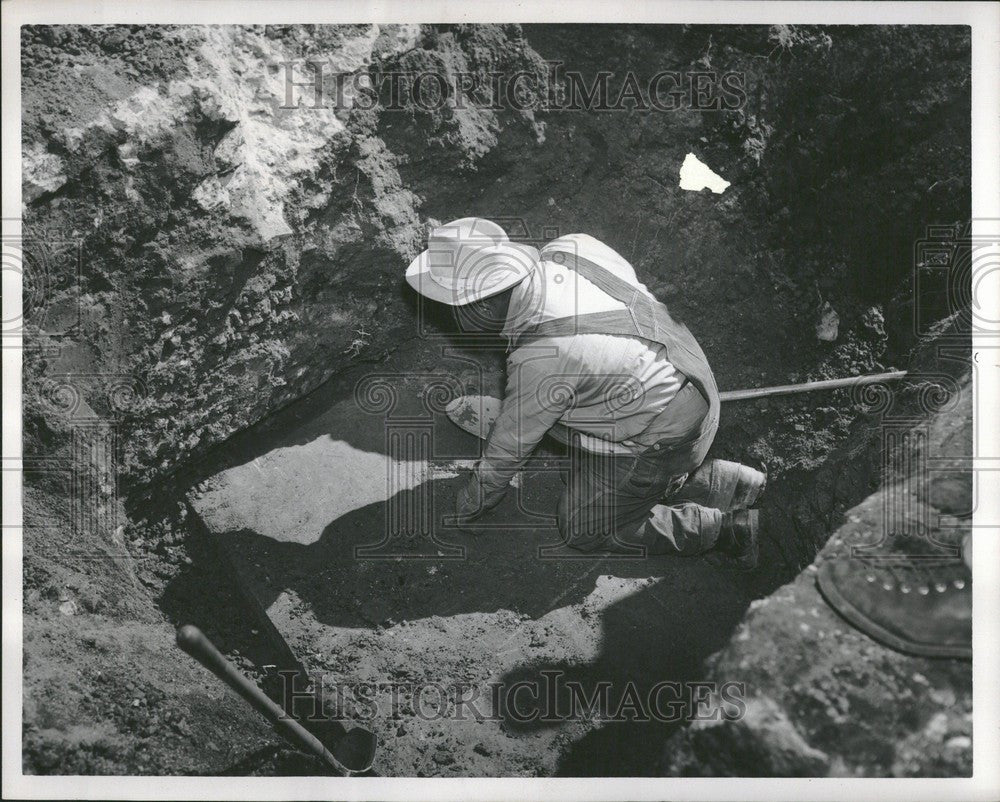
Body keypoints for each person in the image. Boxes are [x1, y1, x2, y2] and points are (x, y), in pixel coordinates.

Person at [405, 217, 765, 567]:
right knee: (564, 431)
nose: (453, 321)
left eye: (454, 310)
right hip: (690, 374)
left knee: (580, 526)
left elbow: (507, 452)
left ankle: (725, 531)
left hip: (668, 438)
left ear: (480, 305)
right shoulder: (572, 246)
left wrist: (471, 503)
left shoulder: (543, 360)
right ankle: (734, 483)